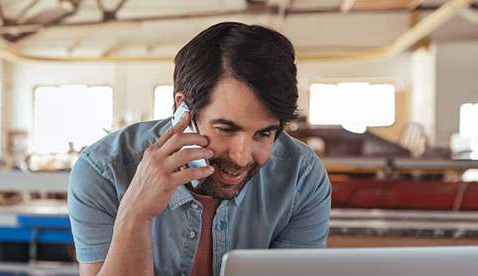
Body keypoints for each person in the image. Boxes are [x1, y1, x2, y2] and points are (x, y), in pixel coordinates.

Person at [67, 22, 331, 276]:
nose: (240, 156)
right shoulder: (104, 170)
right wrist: (135, 216)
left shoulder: (301, 176)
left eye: (264, 133)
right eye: (226, 129)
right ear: (183, 108)